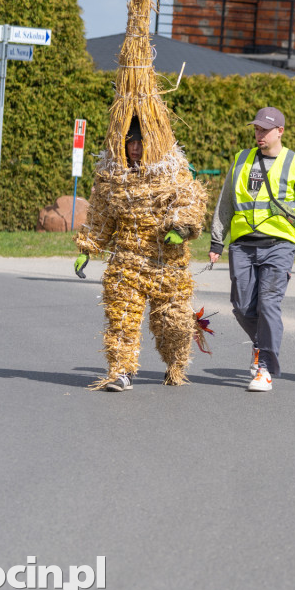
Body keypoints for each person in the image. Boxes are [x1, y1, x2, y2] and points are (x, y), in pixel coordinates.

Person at [75, 115, 208, 391]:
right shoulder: (112, 178)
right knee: (121, 320)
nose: (134, 148)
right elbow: (101, 218)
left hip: (167, 264)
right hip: (126, 262)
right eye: (129, 142)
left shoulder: (172, 173)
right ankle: (121, 372)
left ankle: (175, 363)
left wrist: (181, 228)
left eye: (140, 142)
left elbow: (190, 202)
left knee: (173, 324)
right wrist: (87, 248)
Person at [209, 106, 295, 392]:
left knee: (269, 304)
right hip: (243, 245)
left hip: (279, 245)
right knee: (242, 306)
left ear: (280, 131)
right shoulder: (241, 160)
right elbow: (226, 203)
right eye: (256, 129)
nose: (259, 134)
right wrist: (216, 240)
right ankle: (261, 344)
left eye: (265, 130)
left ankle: (265, 368)